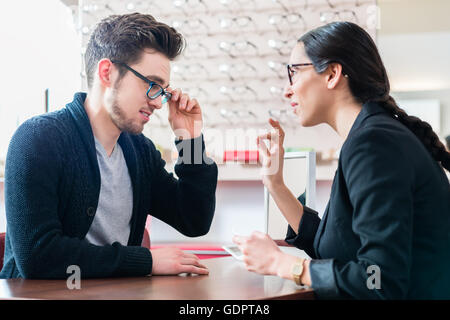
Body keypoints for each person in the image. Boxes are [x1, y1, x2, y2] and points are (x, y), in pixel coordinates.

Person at [233, 21, 450, 299]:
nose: (287, 90)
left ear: (333, 74)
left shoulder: (374, 144)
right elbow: (335, 246)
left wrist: (282, 264)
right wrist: (275, 184)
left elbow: (378, 279)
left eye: (294, 73)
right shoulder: (371, 137)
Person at [0, 13, 218, 279]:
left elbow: (193, 220)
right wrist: (145, 261)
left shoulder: (139, 151)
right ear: (107, 73)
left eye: (162, 90)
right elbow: (38, 256)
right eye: (151, 85)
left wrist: (190, 138)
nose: (159, 103)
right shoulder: (38, 139)